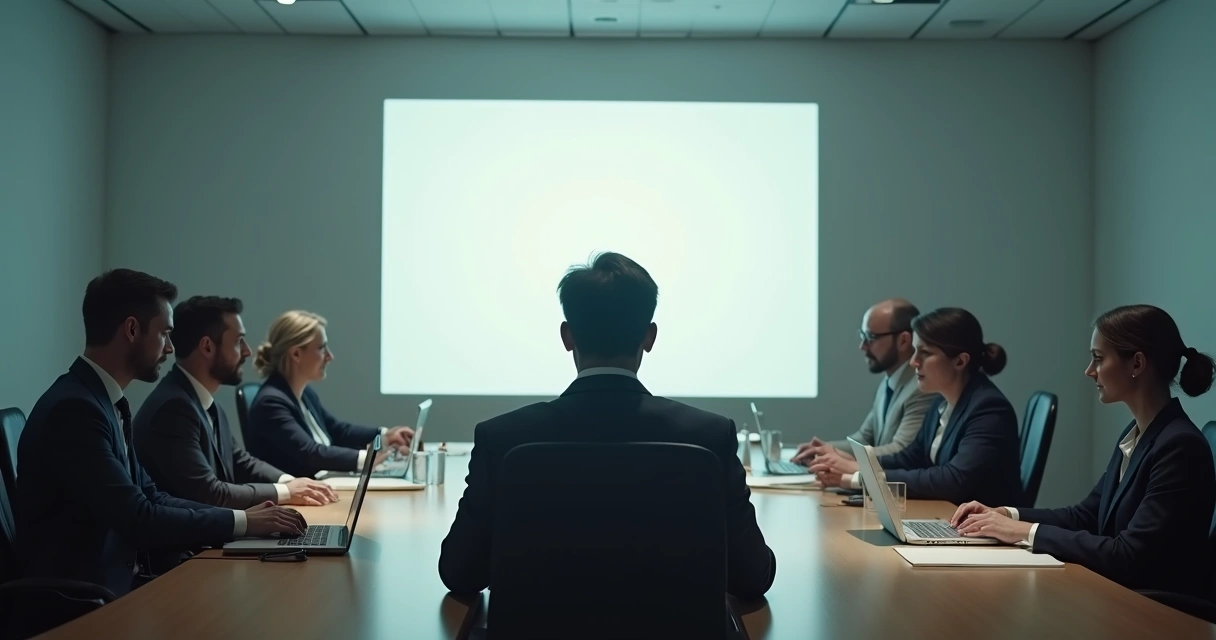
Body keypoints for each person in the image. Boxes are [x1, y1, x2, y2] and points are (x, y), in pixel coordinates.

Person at [439, 252, 775, 599]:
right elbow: (751, 577)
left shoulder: (502, 437)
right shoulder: (708, 436)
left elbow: (460, 573)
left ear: (567, 336)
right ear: (649, 337)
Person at [11, 270, 305, 635]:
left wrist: (242, 518)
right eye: (165, 334)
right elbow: (139, 517)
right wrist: (242, 523)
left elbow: (150, 495)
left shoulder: (102, 401)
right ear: (132, 330)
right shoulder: (75, 410)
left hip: (119, 587)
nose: (170, 347)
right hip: (85, 605)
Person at [952, 305, 1216, 596]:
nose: (1089, 371)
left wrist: (1023, 532)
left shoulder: (1179, 446)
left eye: (1098, 359)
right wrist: (1005, 514)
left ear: (1137, 364)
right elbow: (1085, 516)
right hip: (1120, 596)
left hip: (1156, 613)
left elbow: (1129, 555)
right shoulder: (1138, 434)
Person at [133, 296, 339, 509]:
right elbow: (210, 493)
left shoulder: (200, 401)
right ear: (207, 347)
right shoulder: (174, 409)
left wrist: (289, 482)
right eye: (238, 341)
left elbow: (241, 461)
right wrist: (286, 492)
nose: (247, 351)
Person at [809, 307, 1024, 507]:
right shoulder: (941, 402)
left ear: (960, 361)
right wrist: (858, 464)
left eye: (925, 353)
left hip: (984, 536)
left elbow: (953, 481)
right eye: (914, 351)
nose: (913, 362)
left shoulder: (989, 409)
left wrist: (858, 476)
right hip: (949, 521)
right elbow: (910, 458)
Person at [244, 310, 414, 479]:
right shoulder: (270, 403)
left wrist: (385, 437)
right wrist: (370, 457)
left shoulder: (304, 393)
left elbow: (339, 431)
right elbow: (310, 453)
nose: (330, 356)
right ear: (296, 354)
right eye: (322, 348)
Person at [791, 299, 935, 465]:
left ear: (903, 340)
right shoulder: (888, 384)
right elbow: (864, 438)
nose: (862, 346)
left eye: (871, 337)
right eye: (863, 336)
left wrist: (838, 457)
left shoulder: (921, 389)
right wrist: (822, 449)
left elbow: (901, 450)